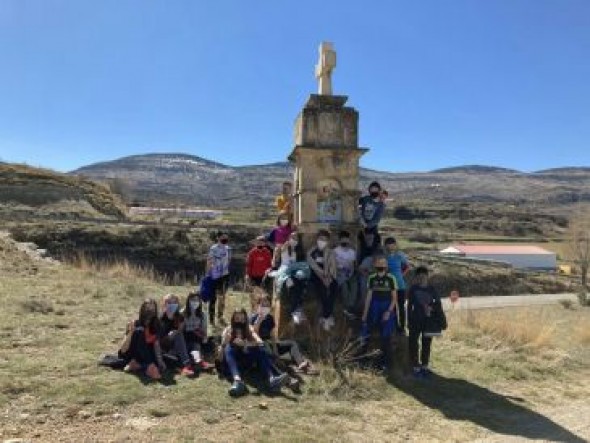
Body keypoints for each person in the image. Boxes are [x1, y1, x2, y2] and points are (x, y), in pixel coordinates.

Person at [220, 309, 288, 397]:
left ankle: (272, 379)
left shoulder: (249, 329)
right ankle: (238, 381)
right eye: (237, 318)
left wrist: (246, 344)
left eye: (242, 319)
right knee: (229, 347)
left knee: (259, 349)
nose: (240, 321)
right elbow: (220, 358)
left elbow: (260, 342)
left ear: (245, 319)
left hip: (246, 363)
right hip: (232, 366)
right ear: (233, 319)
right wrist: (224, 344)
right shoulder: (227, 330)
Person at [250, 292, 317, 375]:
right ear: (258, 306)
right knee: (269, 354)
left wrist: (276, 351)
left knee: (291, 343)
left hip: (270, 344)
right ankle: (288, 370)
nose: (265, 308)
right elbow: (253, 335)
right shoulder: (253, 318)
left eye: (267, 306)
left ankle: (300, 363)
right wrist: (259, 320)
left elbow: (272, 336)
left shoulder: (270, 318)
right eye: (263, 305)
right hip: (259, 346)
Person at [407, 266, 447, 378]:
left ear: (427, 276)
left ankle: (424, 366)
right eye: (419, 276)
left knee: (426, 344)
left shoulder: (432, 289)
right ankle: (415, 367)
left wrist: (431, 308)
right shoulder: (413, 289)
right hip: (415, 320)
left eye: (423, 276)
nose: (421, 278)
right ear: (416, 277)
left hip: (429, 321)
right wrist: (408, 320)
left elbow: (438, 305)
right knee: (413, 344)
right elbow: (409, 306)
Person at [361, 256, 399, 372]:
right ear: (375, 265)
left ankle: (385, 364)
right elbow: (369, 297)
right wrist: (365, 314)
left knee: (386, 336)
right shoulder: (372, 278)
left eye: (383, 263)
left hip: (387, 306)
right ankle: (363, 361)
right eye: (379, 263)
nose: (381, 265)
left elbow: (394, 298)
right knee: (366, 332)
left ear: (386, 266)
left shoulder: (391, 278)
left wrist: (388, 312)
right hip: (374, 306)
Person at [119, 298, 166, 380]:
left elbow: (156, 345)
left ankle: (137, 365)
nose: (149, 311)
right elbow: (123, 350)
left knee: (167, 360)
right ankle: (149, 367)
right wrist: (131, 332)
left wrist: (160, 361)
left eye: (152, 309)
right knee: (139, 331)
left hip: (145, 354)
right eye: (147, 308)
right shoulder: (135, 323)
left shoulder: (157, 325)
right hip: (132, 352)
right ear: (142, 309)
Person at [272, 232, 309, 324]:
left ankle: (296, 309)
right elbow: (280, 261)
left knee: (300, 281)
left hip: (295, 270)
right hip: (285, 270)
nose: (294, 240)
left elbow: (301, 264)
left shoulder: (299, 251)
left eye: (296, 239)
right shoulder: (284, 248)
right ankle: (295, 310)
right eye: (292, 238)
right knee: (291, 282)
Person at [307, 230, 338, 332]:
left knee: (334, 289)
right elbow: (314, 266)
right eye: (320, 239)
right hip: (316, 276)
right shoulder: (311, 252)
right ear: (317, 239)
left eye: (325, 239)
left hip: (328, 276)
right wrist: (323, 276)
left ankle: (326, 316)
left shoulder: (331, 252)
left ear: (328, 241)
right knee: (323, 292)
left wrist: (329, 277)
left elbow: (332, 266)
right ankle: (327, 317)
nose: (322, 241)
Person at [160, 294, 195, 376]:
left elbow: (181, 332)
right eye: (169, 302)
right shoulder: (160, 317)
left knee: (178, 334)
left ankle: (182, 363)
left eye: (174, 302)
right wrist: (168, 336)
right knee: (176, 334)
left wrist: (177, 331)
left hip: (174, 346)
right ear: (164, 304)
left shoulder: (179, 317)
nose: (172, 304)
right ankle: (186, 363)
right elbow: (158, 338)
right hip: (162, 346)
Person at [384, 237, 410, 334]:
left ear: (395, 245)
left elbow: (407, 266)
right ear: (386, 246)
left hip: (400, 284)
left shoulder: (400, 255)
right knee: (392, 307)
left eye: (392, 244)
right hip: (390, 285)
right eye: (388, 245)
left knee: (401, 307)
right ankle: (395, 326)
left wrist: (402, 274)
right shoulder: (385, 257)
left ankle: (402, 328)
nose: (390, 247)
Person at [182, 292, 214, 371]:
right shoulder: (182, 313)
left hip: (197, 337)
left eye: (197, 300)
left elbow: (204, 329)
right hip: (185, 337)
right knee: (192, 337)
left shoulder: (202, 314)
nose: (195, 302)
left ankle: (197, 360)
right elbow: (181, 329)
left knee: (211, 340)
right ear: (188, 301)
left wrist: (205, 337)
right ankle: (199, 361)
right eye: (192, 300)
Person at [207, 231, 232, 326]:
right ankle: (211, 319)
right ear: (218, 238)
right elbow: (209, 261)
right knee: (213, 298)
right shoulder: (213, 248)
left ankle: (220, 317)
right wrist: (208, 274)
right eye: (223, 237)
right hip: (214, 275)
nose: (225, 239)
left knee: (222, 297)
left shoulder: (229, 249)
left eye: (226, 237)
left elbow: (229, 261)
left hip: (225, 275)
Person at [333, 231, 358, 318]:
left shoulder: (352, 252)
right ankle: (346, 309)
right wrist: (342, 270)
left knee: (354, 285)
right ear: (339, 241)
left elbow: (352, 265)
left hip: (348, 272)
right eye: (343, 240)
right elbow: (334, 265)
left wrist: (349, 273)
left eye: (346, 240)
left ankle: (349, 307)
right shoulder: (335, 251)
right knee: (344, 287)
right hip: (338, 273)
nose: (345, 242)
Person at [245, 235, 273, 308]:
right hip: (254, 277)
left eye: (261, 242)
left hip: (264, 277)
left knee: (264, 295)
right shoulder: (252, 253)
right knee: (254, 295)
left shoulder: (267, 252)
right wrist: (248, 275)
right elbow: (249, 265)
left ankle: (264, 310)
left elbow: (270, 265)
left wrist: (268, 271)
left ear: (264, 244)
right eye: (258, 242)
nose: (260, 244)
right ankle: (253, 309)